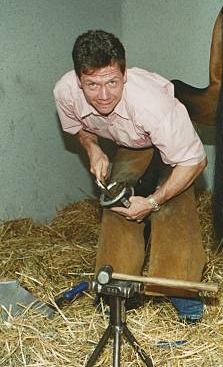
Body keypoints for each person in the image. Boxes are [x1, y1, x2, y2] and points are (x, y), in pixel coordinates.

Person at [53, 30, 208, 322]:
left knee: (172, 204)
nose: (103, 95)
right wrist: (93, 149)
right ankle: (116, 287)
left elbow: (195, 161)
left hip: (170, 142)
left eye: (112, 82)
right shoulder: (65, 92)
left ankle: (181, 292)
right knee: (116, 198)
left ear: (124, 74)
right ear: (78, 81)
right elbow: (77, 128)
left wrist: (151, 202)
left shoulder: (152, 105)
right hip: (131, 142)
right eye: (92, 85)